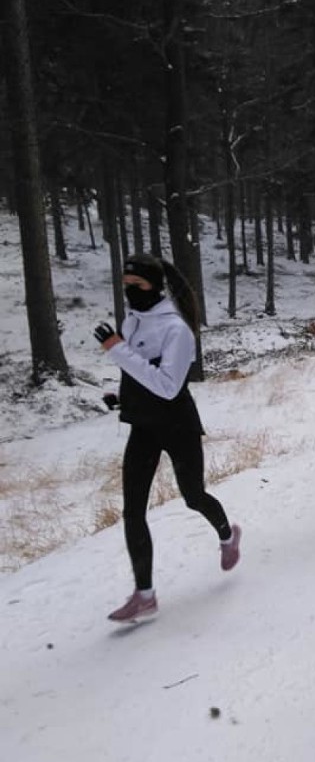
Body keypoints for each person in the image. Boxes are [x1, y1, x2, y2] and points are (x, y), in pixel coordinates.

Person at [94, 255, 241, 623]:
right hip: (144, 425)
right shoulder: (133, 320)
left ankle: (227, 535)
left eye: (137, 285)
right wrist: (122, 397)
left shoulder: (176, 330)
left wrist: (117, 349)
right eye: (125, 283)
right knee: (133, 510)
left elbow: (167, 385)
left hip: (177, 425)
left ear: (155, 287)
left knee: (193, 495)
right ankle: (145, 595)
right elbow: (137, 371)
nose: (129, 291)